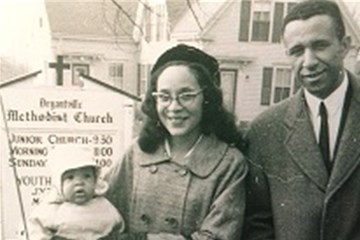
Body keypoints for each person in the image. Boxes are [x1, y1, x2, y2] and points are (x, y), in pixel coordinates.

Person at [243, 1, 360, 240]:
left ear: (345, 46)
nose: (308, 62)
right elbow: (257, 223)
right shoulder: (265, 129)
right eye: (297, 51)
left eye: (320, 45)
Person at [105, 44, 247, 240]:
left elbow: (218, 236)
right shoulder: (137, 152)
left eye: (186, 96)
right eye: (164, 96)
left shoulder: (229, 164)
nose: (174, 107)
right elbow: (100, 210)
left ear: (207, 98)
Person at [26, 145, 124, 240]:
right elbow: (35, 230)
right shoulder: (51, 210)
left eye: (87, 176)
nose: (79, 183)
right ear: (59, 184)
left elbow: (119, 229)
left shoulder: (105, 207)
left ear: (95, 180)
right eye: (70, 178)